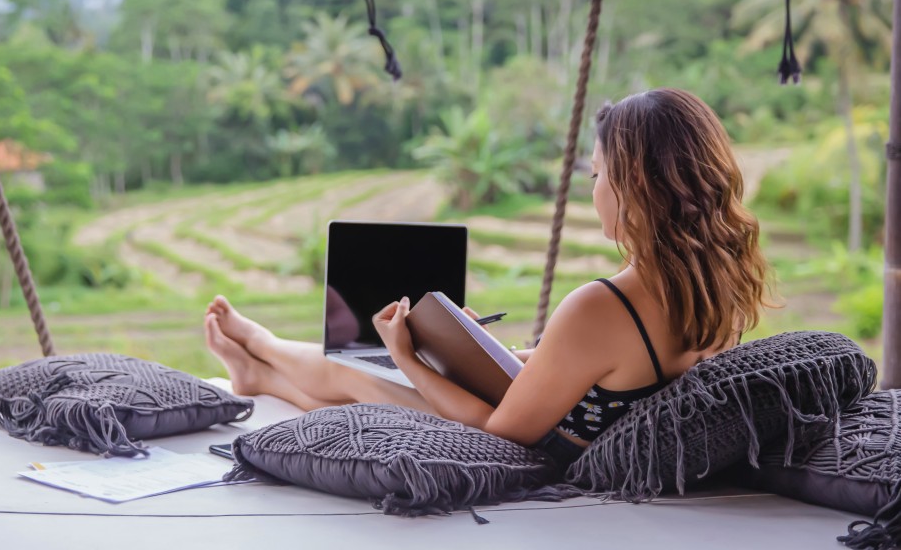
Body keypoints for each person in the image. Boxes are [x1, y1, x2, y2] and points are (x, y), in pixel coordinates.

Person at [204, 87, 773, 470]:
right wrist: (482, 351)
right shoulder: (716, 280)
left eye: (598, 175)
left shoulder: (603, 306)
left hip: (545, 449)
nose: (591, 189)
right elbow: (600, 372)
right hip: (570, 418)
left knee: (355, 376)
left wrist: (406, 356)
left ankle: (262, 353)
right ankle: (259, 366)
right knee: (367, 369)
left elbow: (502, 434)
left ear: (637, 187)